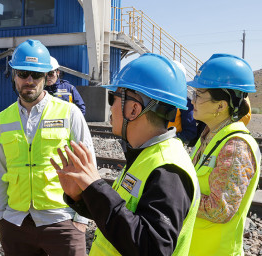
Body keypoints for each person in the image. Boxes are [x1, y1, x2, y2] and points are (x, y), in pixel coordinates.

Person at [51, 53, 200, 255]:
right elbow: (123, 220)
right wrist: (81, 196)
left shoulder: (168, 171)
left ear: (133, 109)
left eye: (113, 98)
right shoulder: (145, 154)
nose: (110, 107)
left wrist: (97, 187)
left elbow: (152, 248)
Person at [0, 39, 95, 256]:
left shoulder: (69, 113)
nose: (29, 80)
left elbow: (88, 166)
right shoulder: (4, 119)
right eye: (23, 73)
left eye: (36, 75)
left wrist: (82, 220)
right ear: (14, 75)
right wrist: (1, 215)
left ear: (47, 77)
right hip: (16, 222)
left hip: (61, 219)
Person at [187, 54, 260, 256]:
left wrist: (176, 196)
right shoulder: (210, 137)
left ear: (221, 105)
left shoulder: (236, 147)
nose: (192, 101)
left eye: (199, 95)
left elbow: (220, 209)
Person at [167, 61, 198, 145]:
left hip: (172, 145)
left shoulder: (185, 102)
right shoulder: (158, 97)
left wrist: (172, 140)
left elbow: (190, 132)